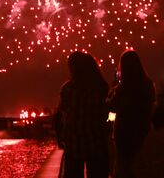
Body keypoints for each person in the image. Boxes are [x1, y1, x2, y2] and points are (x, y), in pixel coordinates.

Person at [56, 51, 110, 178]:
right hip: (96, 140)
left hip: (74, 142)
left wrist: (60, 137)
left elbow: (62, 112)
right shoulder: (101, 87)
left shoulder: (68, 88)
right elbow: (106, 112)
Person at [107, 50, 155, 178]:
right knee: (141, 163)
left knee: (124, 164)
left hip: (123, 130)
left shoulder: (122, 88)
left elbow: (112, 107)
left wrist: (113, 88)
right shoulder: (147, 84)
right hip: (143, 128)